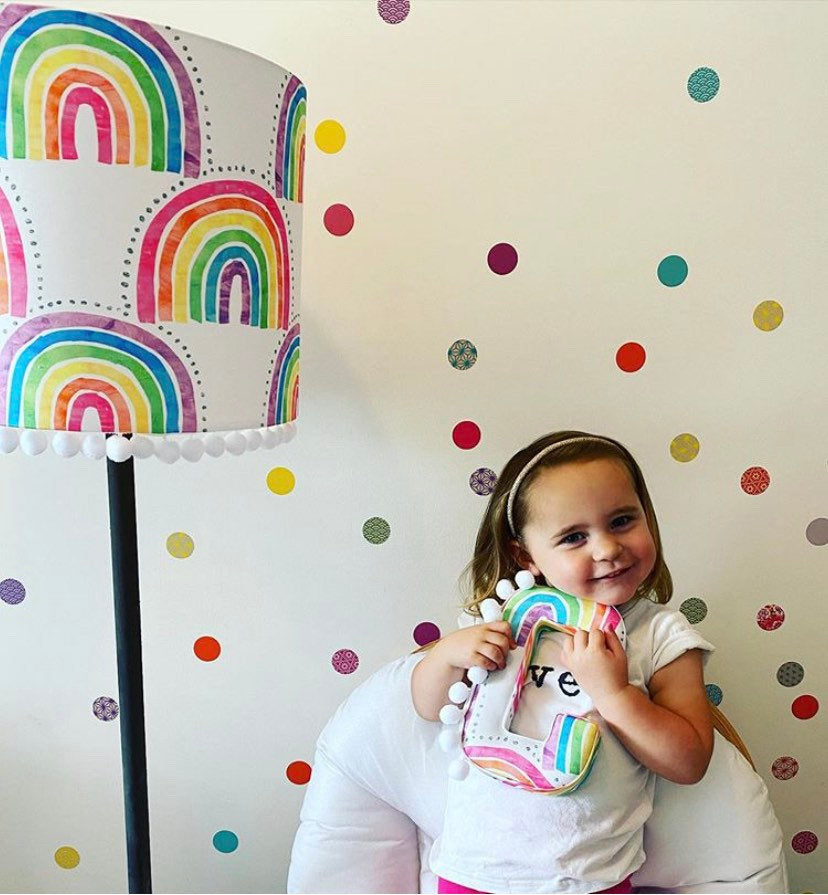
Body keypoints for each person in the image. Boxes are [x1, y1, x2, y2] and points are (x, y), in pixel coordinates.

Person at [411, 430, 716, 894]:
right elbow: (428, 706)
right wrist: (447, 655)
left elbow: (689, 761)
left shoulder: (659, 634)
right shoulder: (505, 618)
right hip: (477, 870)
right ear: (526, 555)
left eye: (622, 520)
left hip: (591, 878)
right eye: (574, 537)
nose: (607, 548)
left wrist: (614, 694)